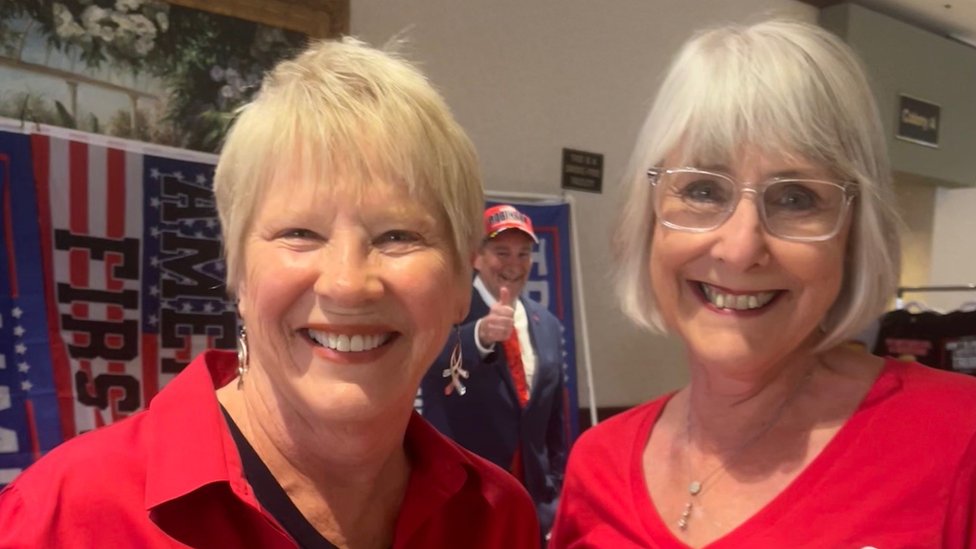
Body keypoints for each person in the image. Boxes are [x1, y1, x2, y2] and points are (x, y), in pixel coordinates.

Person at [0, 38, 541, 548]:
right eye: (299, 233)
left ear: (456, 287)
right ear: (238, 274)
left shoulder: (498, 520)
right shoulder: (62, 517)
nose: (347, 284)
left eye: (398, 236)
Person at [550, 19, 976, 548]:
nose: (741, 247)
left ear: (853, 230)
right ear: (649, 218)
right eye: (704, 191)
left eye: (795, 198)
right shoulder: (598, 463)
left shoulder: (959, 438)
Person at [420, 204, 569, 541]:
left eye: (523, 253)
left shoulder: (546, 324)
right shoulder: (445, 310)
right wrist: (480, 335)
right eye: (502, 252)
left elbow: (553, 421)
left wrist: (556, 493)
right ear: (476, 257)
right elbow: (430, 365)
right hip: (464, 501)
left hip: (534, 505)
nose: (513, 264)